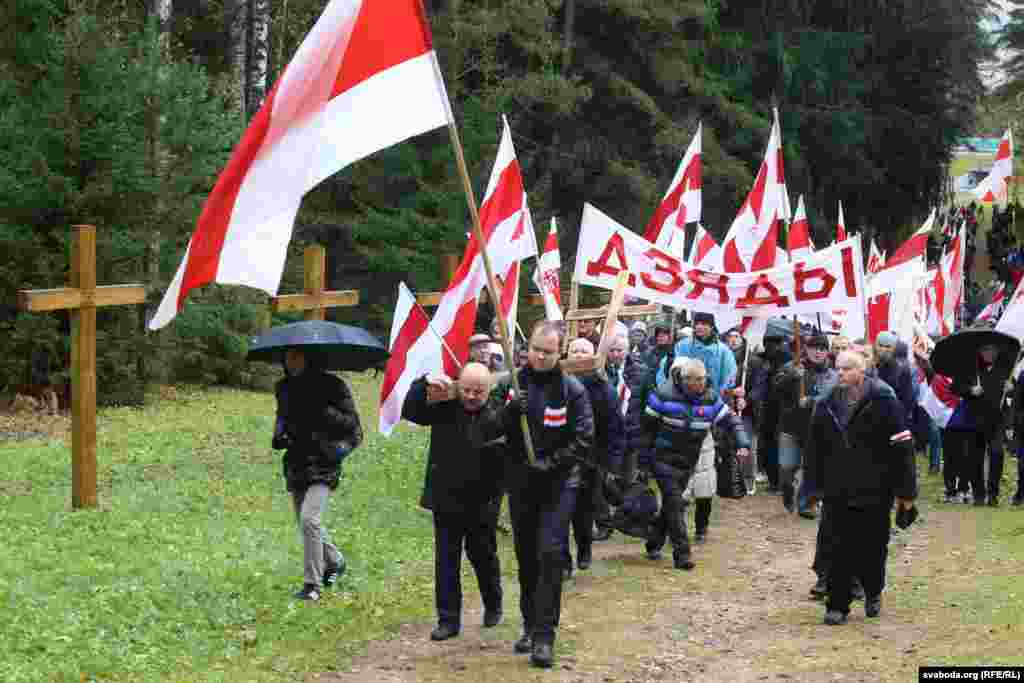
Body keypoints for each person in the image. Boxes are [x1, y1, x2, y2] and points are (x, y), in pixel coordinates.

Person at [502, 321, 594, 669]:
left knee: (551, 555)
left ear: (560, 352)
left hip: (558, 483)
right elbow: (489, 428)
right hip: (521, 482)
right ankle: (529, 625)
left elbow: (584, 439)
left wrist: (552, 463)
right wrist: (510, 412)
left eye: (548, 352)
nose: (539, 357)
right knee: (527, 556)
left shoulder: (572, 390)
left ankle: (544, 637)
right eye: (535, 350)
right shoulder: (512, 384)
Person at [805, 351, 918, 625]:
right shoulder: (827, 402)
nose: (841, 373)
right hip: (838, 486)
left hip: (876, 486)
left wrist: (906, 493)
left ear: (862, 369)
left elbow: (902, 447)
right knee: (837, 545)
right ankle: (837, 604)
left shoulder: (884, 398)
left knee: (872, 546)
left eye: (847, 368)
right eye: (838, 368)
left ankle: (873, 590)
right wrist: (811, 488)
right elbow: (815, 447)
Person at [401, 363, 508, 641]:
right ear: (459, 386)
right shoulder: (445, 407)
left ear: (489, 390)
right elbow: (411, 411)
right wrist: (422, 385)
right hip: (446, 496)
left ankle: (493, 602)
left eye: (478, 392)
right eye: (467, 390)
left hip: (483, 499)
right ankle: (448, 620)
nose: (471, 396)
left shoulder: (499, 414)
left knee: (482, 554)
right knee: (446, 559)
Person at [639, 358, 750, 569]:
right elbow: (646, 428)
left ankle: (653, 542)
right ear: (683, 380)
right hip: (662, 459)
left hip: (687, 462)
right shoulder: (662, 395)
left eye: (701, 381)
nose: (697, 386)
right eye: (692, 382)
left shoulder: (711, 399)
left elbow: (731, 421)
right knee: (676, 504)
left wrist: (742, 442)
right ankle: (683, 555)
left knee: (670, 506)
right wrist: (643, 461)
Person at [272, 347, 363, 601]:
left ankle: (312, 585)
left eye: (297, 356)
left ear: (308, 357)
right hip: (297, 461)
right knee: (305, 523)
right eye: (288, 357)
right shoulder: (283, 387)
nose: (291, 361)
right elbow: (282, 418)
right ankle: (335, 560)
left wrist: (322, 410)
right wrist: (279, 434)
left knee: (309, 520)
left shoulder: (333, 386)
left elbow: (353, 427)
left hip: (325, 461)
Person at [562, 339, 625, 572]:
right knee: (560, 513)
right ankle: (563, 562)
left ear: (594, 357)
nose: (579, 355)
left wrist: (612, 463)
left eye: (584, 351)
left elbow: (616, 428)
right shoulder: (555, 384)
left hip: (591, 460)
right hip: (561, 458)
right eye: (574, 351)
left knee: (584, 510)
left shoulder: (604, 389)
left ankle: (584, 547)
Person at [772, 332, 836, 517]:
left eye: (822, 349)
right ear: (806, 349)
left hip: (816, 429)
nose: (818, 352)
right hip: (790, 426)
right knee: (787, 468)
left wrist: (811, 401)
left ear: (827, 352)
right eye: (814, 348)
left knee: (812, 469)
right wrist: (792, 376)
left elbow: (832, 398)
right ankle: (787, 490)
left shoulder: (832, 374)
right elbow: (775, 389)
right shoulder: (792, 367)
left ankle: (807, 504)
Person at [598, 334, 647, 540]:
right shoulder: (599, 371)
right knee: (602, 480)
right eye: (612, 350)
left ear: (627, 351)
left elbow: (644, 403)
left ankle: (627, 519)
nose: (616, 354)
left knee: (627, 481)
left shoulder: (640, 372)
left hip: (631, 434)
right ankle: (604, 523)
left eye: (620, 350)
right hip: (607, 436)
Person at [751, 333, 792, 492]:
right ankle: (775, 480)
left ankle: (779, 481)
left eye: (774, 344)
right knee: (770, 443)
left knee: (777, 443)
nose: (771, 348)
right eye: (768, 344)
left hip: (781, 407)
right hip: (768, 407)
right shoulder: (762, 360)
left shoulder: (786, 360)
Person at [873, 332, 916, 425]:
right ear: (875, 345)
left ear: (894, 348)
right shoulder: (870, 364)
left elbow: (907, 400)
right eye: (880, 345)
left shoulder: (901, 369)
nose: (883, 349)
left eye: (887, 346)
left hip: (892, 418)